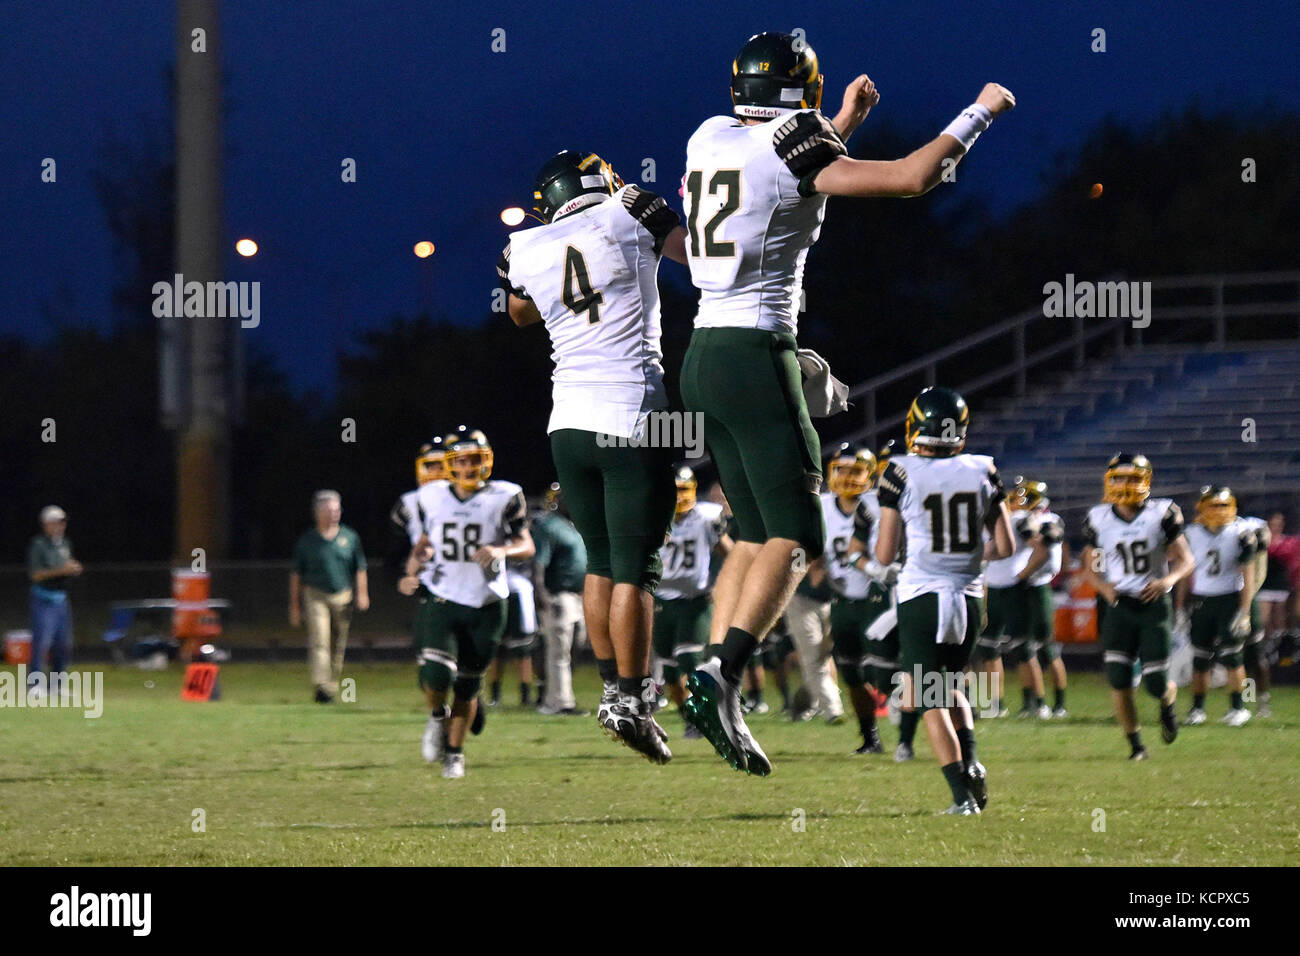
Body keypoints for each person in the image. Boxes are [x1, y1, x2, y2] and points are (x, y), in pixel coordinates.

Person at [679, 30, 1015, 776]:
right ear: (804, 91)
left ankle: (713, 668)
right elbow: (908, 178)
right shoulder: (797, 137)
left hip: (701, 355)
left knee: (750, 536)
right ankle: (720, 674)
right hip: (755, 353)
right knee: (798, 540)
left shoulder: (709, 136)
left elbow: (783, 168)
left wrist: (843, 123)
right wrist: (981, 112)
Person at [500, 149, 686, 764]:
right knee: (636, 568)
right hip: (633, 417)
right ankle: (633, 699)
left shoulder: (525, 245)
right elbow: (703, 258)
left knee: (602, 562)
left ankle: (613, 690)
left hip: (567, 426)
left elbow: (519, 313)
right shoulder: (631, 210)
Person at [875, 386, 1014, 814]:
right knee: (950, 685)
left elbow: (884, 553)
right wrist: (966, 556)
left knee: (925, 697)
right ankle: (972, 762)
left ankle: (961, 797)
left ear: (917, 425)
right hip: (970, 598)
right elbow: (1006, 545)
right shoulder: (983, 469)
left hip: (922, 596)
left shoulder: (899, 471)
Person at [400, 427, 534, 779]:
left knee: (468, 685)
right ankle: (435, 719)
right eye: (462, 460)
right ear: (450, 464)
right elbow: (427, 540)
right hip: (443, 597)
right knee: (435, 674)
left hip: (487, 603)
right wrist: (415, 562)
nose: (470, 466)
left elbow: (526, 545)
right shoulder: (432, 496)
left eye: (475, 459)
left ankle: (455, 754)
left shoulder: (505, 495)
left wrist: (500, 551)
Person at [1080, 454, 1195, 761]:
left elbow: (1187, 560)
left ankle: (1167, 703)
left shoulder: (1162, 513)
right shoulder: (1098, 517)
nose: (1125, 485)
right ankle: (1136, 746)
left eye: (1132, 478)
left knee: (1156, 682)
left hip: (1153, 604)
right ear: (1109, 480)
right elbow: (1090, 568)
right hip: (1119, 606)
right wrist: (1104, 588)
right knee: (1118, 679)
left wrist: (1166, 580)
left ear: (1146, 481)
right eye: (1119, 478)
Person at [812, 443, 896, 753]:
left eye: (855, 470)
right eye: (841, 469)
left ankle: (907, 732)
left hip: (880, 598)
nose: (847, 477)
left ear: (871, 475)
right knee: (850, 672)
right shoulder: (821, 505)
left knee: (884, 672)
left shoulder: (880, 504)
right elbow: (809, 548)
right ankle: (870, 736)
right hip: (842, 600)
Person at [654, 466, 732, 736]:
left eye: (683, 490)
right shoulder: (649, 516)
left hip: (695, 600)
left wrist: (721, 586)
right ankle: (690, 717)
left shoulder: (707, 517)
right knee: (670, 675)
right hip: (662, 602)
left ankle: (707, 714)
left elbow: (731, 554)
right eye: (673, 491)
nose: (677, 497)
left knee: (690, 660)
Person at [1176, 486, 1256, 726]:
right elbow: (1184, 573)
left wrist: (1244, 610)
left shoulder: (1242, 531)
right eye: (1213, 505)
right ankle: (1197, 709)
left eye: (1223, 505)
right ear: (1201, 507)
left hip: (1229, 598)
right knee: (1200, 658)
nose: (1219, 511)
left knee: (1233, 657)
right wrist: (1180, 607)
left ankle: (1238, 708)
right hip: (1201, 600)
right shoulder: (1191, 533)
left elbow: (1249, 574)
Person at [290, 490, 369, 703]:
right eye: (329, 509)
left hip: (343, 596)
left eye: (337, 509)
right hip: (315, 594)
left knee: (337, 644)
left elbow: (360, 567)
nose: (335, 513)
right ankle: (321, 685)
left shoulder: (349, 537)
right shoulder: (307, 540)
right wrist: (295, 606)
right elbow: (296, 574)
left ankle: (331, 686)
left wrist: (363, 594)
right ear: (318, 512)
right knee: (320, 641)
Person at [531, 483, 589, 716]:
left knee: (575, 646)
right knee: (559, 651)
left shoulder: (572, 526)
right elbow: (539, 564)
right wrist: (541, 593)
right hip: (558, 595)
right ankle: (559, 703)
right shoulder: (549, 526)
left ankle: (550, 693)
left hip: (577, 596)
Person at [27, 505, 82, 694]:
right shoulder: (39, 545)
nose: (59, 526)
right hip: (43, 598)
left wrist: (72, 569)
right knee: (42, 641)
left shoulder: (64, 544)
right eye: (55, 523)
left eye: (62, 522)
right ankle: (35, 684)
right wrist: (63, 571)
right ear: (45, 524)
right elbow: (36, 575)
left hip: (61, 599)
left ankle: (57, 684)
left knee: (63, 643)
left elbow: (65, 567)